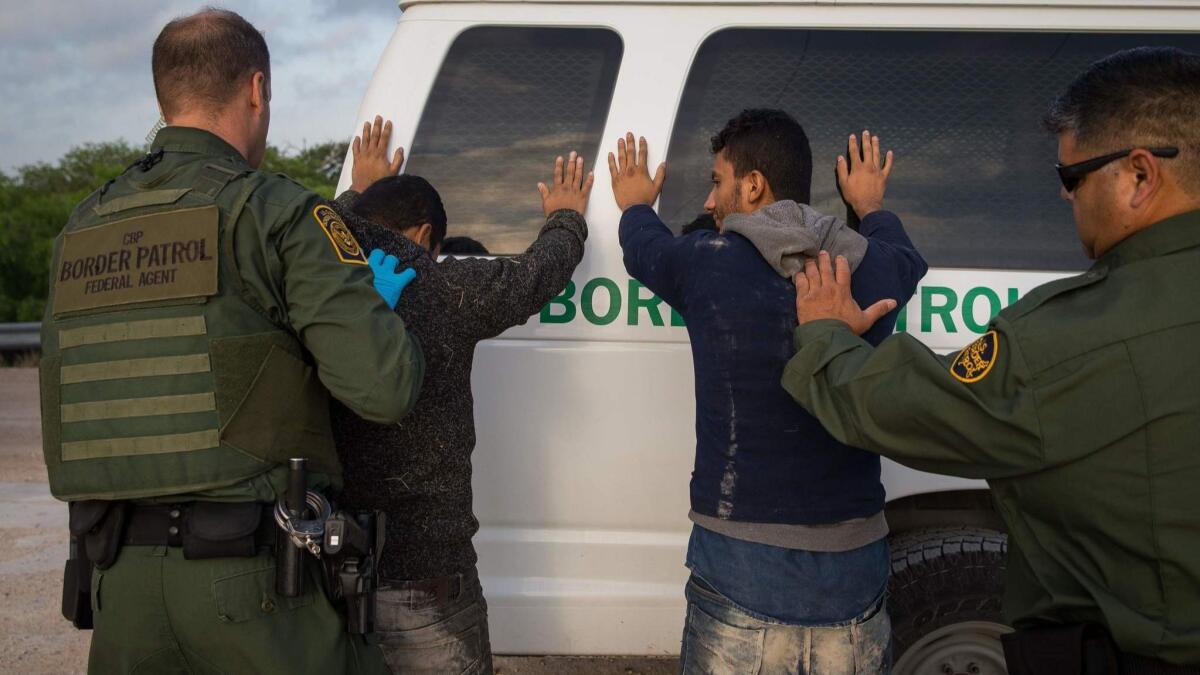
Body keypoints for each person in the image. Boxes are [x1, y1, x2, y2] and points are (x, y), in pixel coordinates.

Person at [781, 46, 1200, 674]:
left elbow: (914, 410)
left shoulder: (1076, 337)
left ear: (1139, 176)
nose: (1065, 199)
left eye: (1070, 178)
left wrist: (822, 336)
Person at [39, 10, 422, 674]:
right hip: (255, 592)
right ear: (255, 90)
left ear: (166, 96)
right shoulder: (278, 212)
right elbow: (385, 387)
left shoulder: (83, 226)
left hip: (120, 587)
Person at [608, 109, 927, 674]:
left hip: (740, 562)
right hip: (854, 568)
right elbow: (905, 259)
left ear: (752, 184)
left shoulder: (707, 262)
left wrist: (635, 202)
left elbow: (643, 248)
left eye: (716, 181)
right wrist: (870, 203)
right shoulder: (872, 268)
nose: (710, 203)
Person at [328, 119, 593, 674]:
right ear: (426, 237)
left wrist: (356, 196)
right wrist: (566, 217)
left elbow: (342, 238)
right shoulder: (446, 288)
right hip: (430, 582)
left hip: (333, 576)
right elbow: (537, 274)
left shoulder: (321, 289)